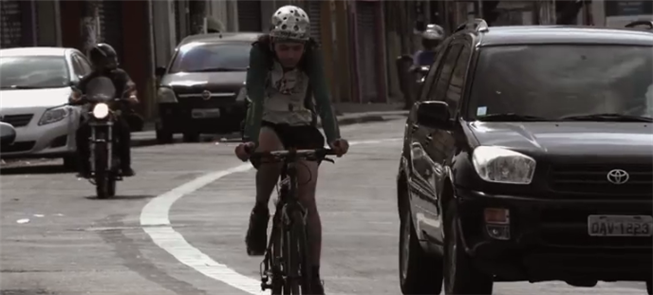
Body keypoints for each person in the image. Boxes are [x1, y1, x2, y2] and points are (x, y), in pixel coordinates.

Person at [234, 5, 350, 294]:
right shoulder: (259, 53)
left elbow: (323, 98)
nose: (289, 55)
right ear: (272, 43)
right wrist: (249, 140)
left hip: (302, 125)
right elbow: (254, 98)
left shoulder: (312, 56)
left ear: (304, 47)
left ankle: (313, 274)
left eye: (295, 49)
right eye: (283, 48)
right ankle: (260, 211)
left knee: (307, 200)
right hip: (267, 122)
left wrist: (335, 138)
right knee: (270, 161)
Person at [70, 43, 138, 178]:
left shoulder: (120, 75)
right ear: (95, 61)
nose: (107, 63)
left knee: (124, 130)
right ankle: (83, 168)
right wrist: (75, 98)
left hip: (115, 110)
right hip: (94, 110)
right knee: (81, 132)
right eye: (103, 60)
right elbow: (77, 90)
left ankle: (125, 166)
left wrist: (131, 97)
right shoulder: (89, 77)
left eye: (110, 59)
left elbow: (130, 87)